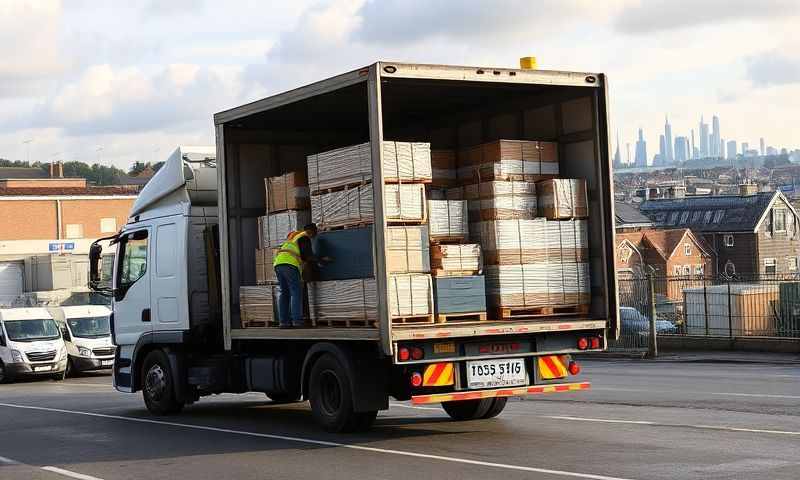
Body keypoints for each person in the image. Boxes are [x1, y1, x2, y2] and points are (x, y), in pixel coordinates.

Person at [272, 223, 330, 328]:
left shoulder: (293, 237)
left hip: (278, 264)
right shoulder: (304, 237)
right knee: (296, 292)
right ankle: (297, 321)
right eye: (314, 233)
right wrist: (321, 260)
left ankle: (284, 322)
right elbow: (307, 255)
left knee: (284, 293)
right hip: (289, 264)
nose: (314, 236)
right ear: (311, 231)